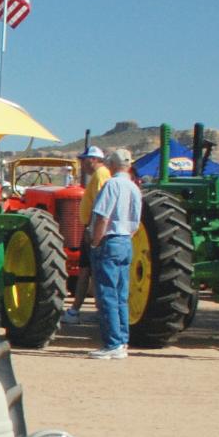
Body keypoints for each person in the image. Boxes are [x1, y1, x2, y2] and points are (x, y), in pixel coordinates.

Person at [87, 148, 142, 360]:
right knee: (121, 294)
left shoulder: (112, 185)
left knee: (107, 293)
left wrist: (95, 243)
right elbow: (136, 222)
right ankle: (122, 340)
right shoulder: (134, 188)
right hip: (126, 240)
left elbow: (102, 217)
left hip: (109, 240)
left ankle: (112, 342)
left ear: (111, 164)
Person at [65, 145, 109, 319]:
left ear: (94, 159)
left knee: (93, 271)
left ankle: (93, 311)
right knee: (86, 271)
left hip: (93, 230)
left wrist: (92, 230)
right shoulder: (96, 176)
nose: (81, 163)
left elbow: (100, 205)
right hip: (89, 228)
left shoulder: (100, 175)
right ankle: (76, 309)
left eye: (84, 160)